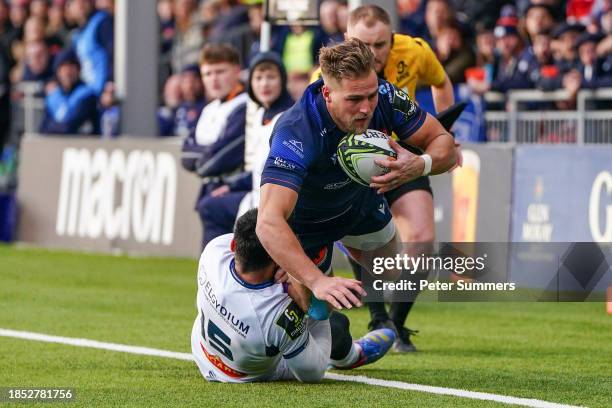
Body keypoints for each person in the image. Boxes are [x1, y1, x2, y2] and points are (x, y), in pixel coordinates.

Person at [256, 38, 457, 367]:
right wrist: (317, 280)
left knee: (393, 274)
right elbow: (268, 221)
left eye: (370, 95)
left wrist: (419, 165)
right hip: (306, 228)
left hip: (359, 207)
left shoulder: (386, 96)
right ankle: (349, 352)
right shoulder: (297, 129)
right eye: (354, 99)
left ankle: (347, 256)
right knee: (319, 316)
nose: (366, 108)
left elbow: (444, 144)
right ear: (327, 93)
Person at [311, 5, 455, 352]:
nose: (374, 53)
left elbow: (441, 82)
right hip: (355, 163)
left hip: (402, 153)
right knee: (366, 241)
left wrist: (444, 135)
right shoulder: (328, 75)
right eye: (365, 44)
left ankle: (398, 324)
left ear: (392, 38)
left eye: (381, 44)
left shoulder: (416, 51)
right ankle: (378, 318)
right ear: (348, 40)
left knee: (422, 241)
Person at [191, 208, 393, 382]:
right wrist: (301, 280)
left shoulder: (215, 250)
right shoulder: (278, 314)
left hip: (202, 350)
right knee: (336, 325)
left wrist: (289, 266)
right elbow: (312, 373)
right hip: (249, 374)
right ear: (276, 255)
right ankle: (353, 355)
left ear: (235, 245)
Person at [181, 43, 248, 248]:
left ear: (237, 70)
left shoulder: (245, 106)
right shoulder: (208, 110)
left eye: (220, 71)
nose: (214, 79)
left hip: (234, 189)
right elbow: (186, 156)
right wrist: (209, 152)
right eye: (208, 73)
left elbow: (217, 160)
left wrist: (204, 155)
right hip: (210, 189)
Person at [39, 48, 99, 135]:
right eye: (63, 67)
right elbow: (43, 129)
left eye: (71, 66)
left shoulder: (87, 95)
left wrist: (53, 127)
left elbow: (69, 127)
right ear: (58, 72)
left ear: (78, 70)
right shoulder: (53, 96)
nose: (67, 72)